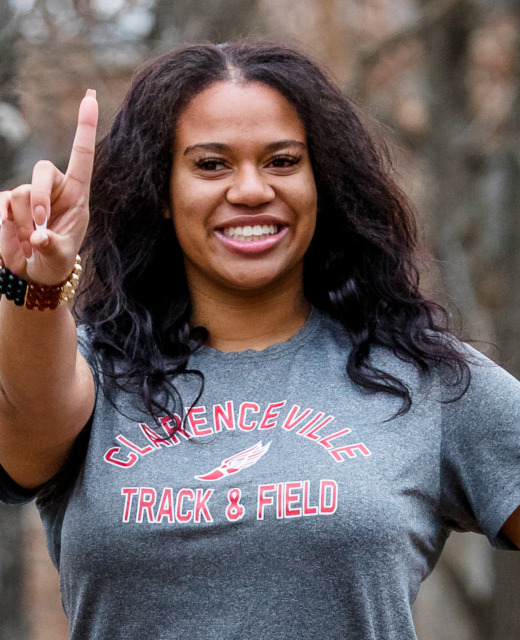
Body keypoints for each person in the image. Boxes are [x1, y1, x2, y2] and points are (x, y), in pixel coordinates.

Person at [0, 41, 518, 640]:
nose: (250, 190)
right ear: (162, 195)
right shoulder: (93, 371)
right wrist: (35, 278)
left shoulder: (421, 376)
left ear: (321, 183)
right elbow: (29, 432)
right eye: (211, 165)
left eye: (282, 161)